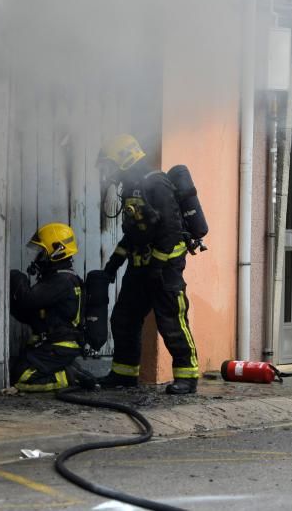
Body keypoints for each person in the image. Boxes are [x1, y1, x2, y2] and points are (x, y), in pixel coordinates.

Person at [95, 134, 200, 395]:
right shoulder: (132, 187)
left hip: (164, 269)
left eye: (110, 164)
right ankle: (123, 374)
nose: (108, 172)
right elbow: (133, 234)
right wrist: (112, 266)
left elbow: (172, 233)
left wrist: (157, 267)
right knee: (123, 318)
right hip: (140, 268)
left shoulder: (157, 184)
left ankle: (187, 377)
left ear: (123, 158)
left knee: (172, 322)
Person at [9, 222, 95, 392]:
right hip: (54, 344)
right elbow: (31, 313)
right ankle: (69, 369)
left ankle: (69, 376)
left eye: (42, 252)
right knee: (15, 367)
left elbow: (28, 299)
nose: (38, 258)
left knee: (21, 378)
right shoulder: (60, 278)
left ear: (57, 251)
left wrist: (16, 278)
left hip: (59, 346)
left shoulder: (61, 281)